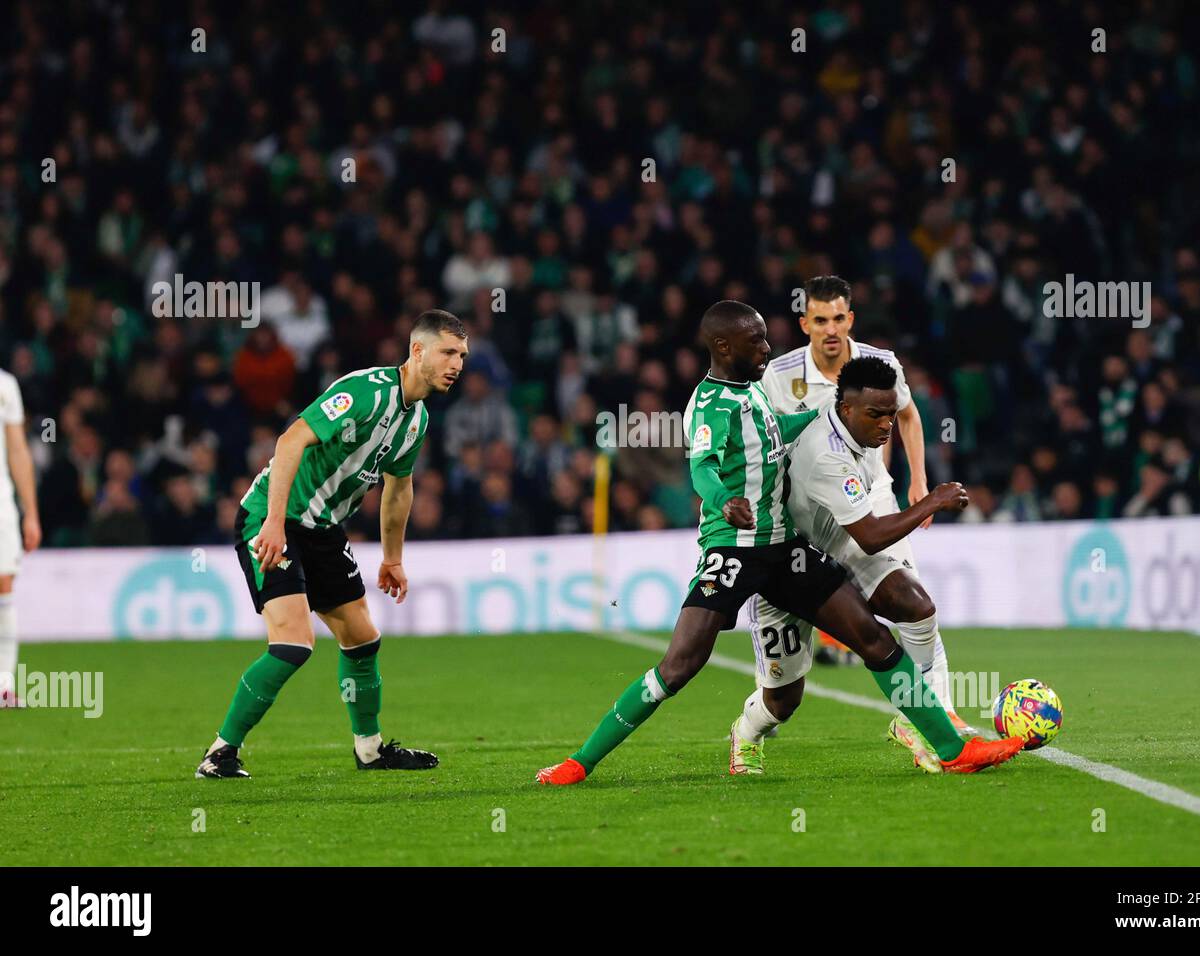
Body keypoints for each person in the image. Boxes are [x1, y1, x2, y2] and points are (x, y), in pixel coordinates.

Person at [535, 301, 1023, 785]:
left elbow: (773, 434)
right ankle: (581, 761)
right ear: (724, 346)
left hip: (784, 548)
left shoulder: (753, 393)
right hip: (733, 550)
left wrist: (823, 412)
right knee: (679, 666)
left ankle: (952, 750)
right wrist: (724, 499)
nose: (767, 348)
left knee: (873, 639)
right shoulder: (709, 405)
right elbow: (701, 467)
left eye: (767, 338)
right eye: (757, 341)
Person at [195, 310, 468, 778]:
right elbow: (289, 441)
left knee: (362, 638)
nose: (457, 364)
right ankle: (220, 753)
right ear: (417, 351)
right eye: (448, 352)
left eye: (462, 355)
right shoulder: (364, 391)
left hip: (321, 528)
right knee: (294, 643)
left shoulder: (416, 420)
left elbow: (398, 490)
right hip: (270, 516)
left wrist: (393, 559)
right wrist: (275, 524)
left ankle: (370, 749)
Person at [728, 357, 973, 775]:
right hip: (786, 567)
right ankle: (745, 734)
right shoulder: (827, 452)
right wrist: (933, 499)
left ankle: (928, 719)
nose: (886, 426)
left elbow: (863, 531)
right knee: (783, 700)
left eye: (890, 416)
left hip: (836, 548)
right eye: (876, 415)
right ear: (846, 410)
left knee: (913, 604)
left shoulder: (860, 436)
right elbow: (872, 534)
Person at [0, 368, 42, 708]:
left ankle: (3, 684)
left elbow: (17, 450)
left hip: (1, 502)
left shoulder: (5, 384)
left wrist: (30, 511)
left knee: (4, 583)